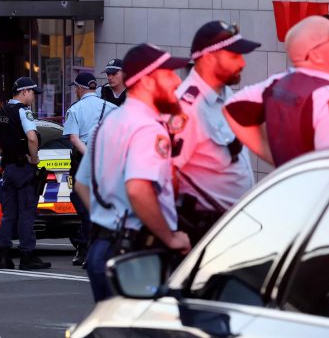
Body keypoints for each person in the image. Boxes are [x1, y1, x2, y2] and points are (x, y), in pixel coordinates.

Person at [74, 43, 192, 302]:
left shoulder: (107, 123)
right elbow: (138, 190)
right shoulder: (148, 128)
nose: (176, 81)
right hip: (137, 253)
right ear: (148, 81)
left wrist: (109, 219)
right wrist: (170, 238)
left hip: (103, 249)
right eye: (168, 74)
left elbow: (82, 185)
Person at [223, 15, 329, 167]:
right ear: (315, 55)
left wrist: (283, 164)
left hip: (297, 180)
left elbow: (232, 108)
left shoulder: (277, 83)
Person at [172, 21, 261, 244]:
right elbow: (166, 175)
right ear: (210, 58)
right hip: (204, 231)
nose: (242, 63)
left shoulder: (226, 94)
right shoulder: (186, 108)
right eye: (234, 56)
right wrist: (170, 234)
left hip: (232, 227)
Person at [0, 77, 51, 270]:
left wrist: (3, 152)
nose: (33, 97)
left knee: (8, 214)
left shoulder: (0, 111)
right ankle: (27, 256)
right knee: (26, 213)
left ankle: (4, 257)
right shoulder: (23, 111)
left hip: (8, 169)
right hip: (23, 168)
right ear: (24, 92)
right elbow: (32, 138)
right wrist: (34, 159)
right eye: (33, 93)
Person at [62, 72, 118, 267]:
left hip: (84, 161)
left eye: (76, 88)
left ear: (79, 89)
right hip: (106, 161)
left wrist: (89, 156)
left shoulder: (75, 109)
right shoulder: (111, 108)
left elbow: (73, 138)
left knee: (84, 206)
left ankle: (89, 250)